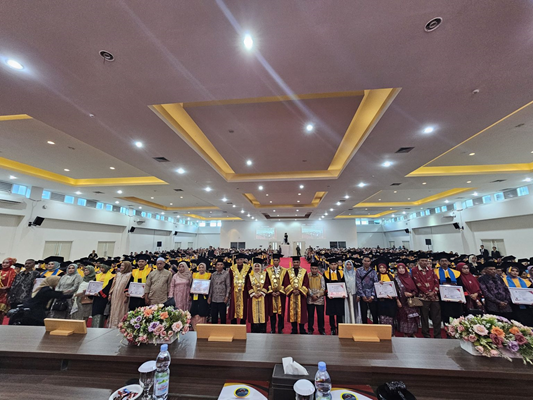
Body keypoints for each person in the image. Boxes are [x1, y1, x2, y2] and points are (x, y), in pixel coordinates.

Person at [412, 253, 442, 339]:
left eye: (426, 261)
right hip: (423, 297)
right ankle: (426, 334)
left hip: (434, 297)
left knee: (436, 316)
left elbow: (436, 282)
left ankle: (437, 334)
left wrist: (434, 292)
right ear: (418, 261)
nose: (424, 262)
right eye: (422, 261)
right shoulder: (415, 270)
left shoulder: (431, 270)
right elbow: (418, 283)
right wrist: (427, 292)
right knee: (424, 317)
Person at [283, 256, 309, 334]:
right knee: (292, 312)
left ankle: (302, 328)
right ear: (292, 263)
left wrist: (300, 291)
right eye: (294, 262)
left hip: (301, 296)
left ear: (300, 263)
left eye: (297, 262)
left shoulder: (304, 271)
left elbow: (306, 283)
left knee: (302, 313)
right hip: (292, 295)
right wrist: (292, 290)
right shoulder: (288, 271)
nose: (296, 264)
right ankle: (294, 329)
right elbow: (286, 282)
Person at [435, 254, 463, 325]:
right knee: (445, 314)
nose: (444, 262)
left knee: (456, 315)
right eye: (442, 261)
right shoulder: (435, 273)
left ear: (449, 262)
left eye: (446, 261)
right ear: (439, 262)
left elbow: (460, 285)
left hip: (455, 297)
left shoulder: (456, 273)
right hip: (443, 297)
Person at [395, 263, 420, 337]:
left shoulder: (410, 277)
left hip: (411, 301)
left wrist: (411, 294)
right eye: (399, 268)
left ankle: (412, 332)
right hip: (402, 301)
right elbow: (395, 290)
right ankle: (405, 333)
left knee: (413, 317)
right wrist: (397, 300)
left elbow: (415, 289)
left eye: (402, 268)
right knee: (404, 317)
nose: (401, 270)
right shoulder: (396, 279)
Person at [246, 261, 271, 333]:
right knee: (253, 314)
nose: (257, 268)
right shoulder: (250, 275)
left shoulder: (265, 274)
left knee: (263, 314)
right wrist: (253, 293)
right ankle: (254, 330)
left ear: (260, 267)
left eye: (258, 266)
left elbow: (267, 284)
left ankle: (263, 330)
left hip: (262, 297)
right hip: (253, 297)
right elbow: (248, 285)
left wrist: (262, 292)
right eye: (255, 267)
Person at [324, 257, 345, 335]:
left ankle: (340, 328)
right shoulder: (325, 273)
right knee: (331, 313)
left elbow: (344, 284)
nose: (333, 266)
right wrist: (327, 293)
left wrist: (343, 293)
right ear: (329, 265)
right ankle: (332, 328)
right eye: (332, 264)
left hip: (339, 297)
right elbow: (324, 285)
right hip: (330, 297)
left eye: (335, 264)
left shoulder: (341, 273)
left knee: (339, 313)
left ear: (337, 265)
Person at [108, 261, 133, 328]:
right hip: (115, 295)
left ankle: (120, 326)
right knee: (114, 309)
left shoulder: (130, 275)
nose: (121, 267)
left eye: (123, 266)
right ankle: (112, 325)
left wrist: (126, 297)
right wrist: (110, 294)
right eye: (121, 266)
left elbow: (129, 286)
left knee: (121, 310)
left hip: (122, 296)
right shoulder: (118, 274)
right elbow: (113, 285)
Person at [266, 253, 286, 333]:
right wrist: (271, 291)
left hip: (281, 295)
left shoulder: (284, 271)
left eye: (277, 260)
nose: (275, 261)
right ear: (272, 261)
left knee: (281, 313)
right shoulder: (268, 270)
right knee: (272, 313)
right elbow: (266, 282)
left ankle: (280, 329)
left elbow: (286, 282)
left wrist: (280, 291)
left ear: (279, 261)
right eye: (274, 260)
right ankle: (272, 329)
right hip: (272, 295)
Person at [228, 254, 251, 325]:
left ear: (243, 260)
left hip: (244, 291)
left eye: (241, 259)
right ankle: (233, 322)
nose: (239, 261)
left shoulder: (248, 268)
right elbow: (230, 279)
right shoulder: (232, 268)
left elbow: (249, 280)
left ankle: (242, 322)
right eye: (238, 260)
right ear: (236, 260)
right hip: (234, 291)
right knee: (233, 306)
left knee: (243, 306)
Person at [376, 261, 398, 333]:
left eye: (383, 268)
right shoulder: (376, 276)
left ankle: (391, 332)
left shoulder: (391, 276)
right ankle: (383, 332)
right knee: (382, 316)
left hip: (391, 299)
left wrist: (394, 296)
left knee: (391, 316)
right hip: (381, 300)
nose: (382, 269)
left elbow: (395, 287)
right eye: (380, 268)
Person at [356, 256, 379, 324]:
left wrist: (372, 295)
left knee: (374, 313)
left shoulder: (373, 271)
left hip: (372, 295)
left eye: (368, 261)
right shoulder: (358, 270)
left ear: (370, 262)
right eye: (365, 261)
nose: (366, 262)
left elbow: (376, 283)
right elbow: (358, 283)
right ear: (362, 261)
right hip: (362, 295)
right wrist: (362, 295)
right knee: (364, 313)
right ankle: (365, 329)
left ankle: (375, 329)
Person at [208, 259, 230, 324]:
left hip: (222, 298)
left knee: (223, 316)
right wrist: (209, 297)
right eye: (218, 265)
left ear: (223, 266)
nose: (219, 266)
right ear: (216, 266)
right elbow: (211, 286)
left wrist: (227, 296)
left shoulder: (226, 274)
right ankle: (214, 330)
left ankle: (223, 330)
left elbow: (228, 286)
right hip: (214, 298)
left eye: (221, 265)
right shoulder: (213, 274)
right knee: (214, 316)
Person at [190, 262, 211, 329]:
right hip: (195, 295)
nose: (201, 269)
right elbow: (192, 285)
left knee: (203, 310)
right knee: (194, 310)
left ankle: (202, 327)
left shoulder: (209, 275)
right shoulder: (194, 275)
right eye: (200, 267)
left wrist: (207, 293)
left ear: (205, 268)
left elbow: (210, 287)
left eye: (202, 267)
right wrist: (192, 291)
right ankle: (194, 326)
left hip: (204, 296)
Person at [307, 262, 326, 335]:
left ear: (318, 269)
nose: (314, 270)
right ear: (310, 268)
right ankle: (310, 329)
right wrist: (311, 295)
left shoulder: (321, 277)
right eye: (313, 269)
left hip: (319, 299)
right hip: (310, 298)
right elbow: (306, 286)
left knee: (320, 315)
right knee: (310, 315)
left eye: (315, 269)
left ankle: (321, 329)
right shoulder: (307, 276)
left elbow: (323, 288)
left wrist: (317, 295)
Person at [343, 260, 362, 324]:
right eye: (347, 264)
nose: (348, 266)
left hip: (355, 294)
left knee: (355, 310)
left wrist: (358, 294)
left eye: (350, 264)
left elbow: (358, 284)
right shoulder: (343, 274)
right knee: (348, 310)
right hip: (346, 295)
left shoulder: (355, 273)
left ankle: (356, 323)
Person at [0, 258, 17, 322]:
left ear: (10, 264)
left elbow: (11, 282)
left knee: (2, 310)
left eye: (7, 263)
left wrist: (6, 287)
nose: (4, 264)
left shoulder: (12, 271)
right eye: (3, 262)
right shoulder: (0, 271)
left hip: (6, 293)